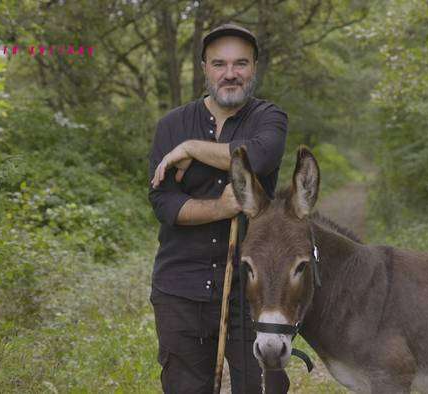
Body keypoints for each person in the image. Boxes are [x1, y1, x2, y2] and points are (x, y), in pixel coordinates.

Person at [147, 23, 290, 394]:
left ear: (255, 67)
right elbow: (164, 204)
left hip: (255, 288)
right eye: (219, 63)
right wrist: (220, 207)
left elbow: (257, 157)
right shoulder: (170, 125)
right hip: (181, 285)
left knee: (262, 388)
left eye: (240, 63)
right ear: (205, 68)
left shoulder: (269, 118)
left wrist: (193, 149)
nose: (230, 73)